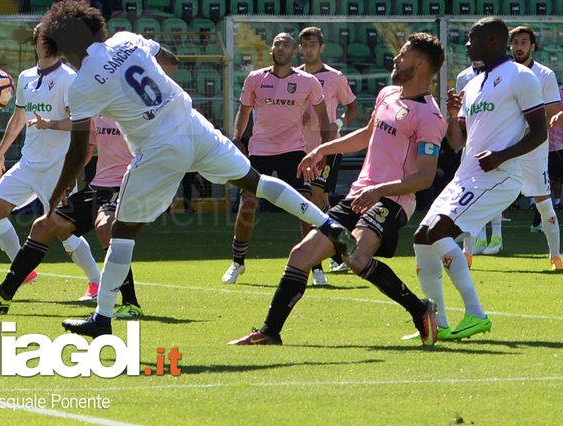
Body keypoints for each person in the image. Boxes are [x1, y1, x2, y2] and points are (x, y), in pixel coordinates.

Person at [20, 2, 356, 336]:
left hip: (158, 148)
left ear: (64, 47)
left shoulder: (83, 86)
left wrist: (57, 192)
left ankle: (102, 318)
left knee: (122, 232)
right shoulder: (125, 39)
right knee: (257, 182)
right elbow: (172, 62)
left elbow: (79, 150)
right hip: (192, 125)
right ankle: (328, 224)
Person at [232, 34, 448, 346]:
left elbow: (425, 177)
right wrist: (323, 150)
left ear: (422, 64)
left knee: (355, 256)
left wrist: (378, 191)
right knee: (300, 254)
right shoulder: (387, 94)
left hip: (393, 199)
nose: (397, 58)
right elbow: (365, 135)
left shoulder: (430, 116)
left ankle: (420, 309)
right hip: (359, 195)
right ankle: (269, 333)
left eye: (404, 54)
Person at [415, 17, 547, 340]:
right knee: (421, 237)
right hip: (466, 175)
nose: (467, 44)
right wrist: (451, 116)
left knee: (440, 232)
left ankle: (476, 315)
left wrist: (501, 156)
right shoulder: (471, 84)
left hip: (500, 176)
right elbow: (457, 143)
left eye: (472, 39)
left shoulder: (522, 77)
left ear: (491, 40)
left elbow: (540, 132)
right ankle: (440, 324)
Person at [0, 107, 143, 317]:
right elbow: (85, 150)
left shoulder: (134, 110)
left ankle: (131, 304)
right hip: (98, 187)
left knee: (105, 227)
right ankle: (2, 296)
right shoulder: (97, 112)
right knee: (43, 225)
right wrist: (67, 181)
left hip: (127, 184)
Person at [0, 25, 102, 298]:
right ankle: (23, 270)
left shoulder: (69, 79)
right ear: (37, 43)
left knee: (65, 233)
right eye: (45, 40)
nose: (49, 44)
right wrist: (2, 150)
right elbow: (19, 116)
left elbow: (82, 125)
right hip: (29, 163)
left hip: (58, 170)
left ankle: (96, 282)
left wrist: (50, 124)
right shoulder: (25, 77)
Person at [223, 32, 335, 285]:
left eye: (286, 44)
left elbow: (324, 118)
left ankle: (315, 266)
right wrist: (236, 138)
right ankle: (237, 262)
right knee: (247, 204)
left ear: (293, 51)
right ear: (271, 50)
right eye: (277, 43)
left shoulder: (308, 81)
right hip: (259, 151)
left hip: (293, 151)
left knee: (305, 206)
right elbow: (244, 109)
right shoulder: (255, 79)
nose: (281, 47)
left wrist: (325, 150)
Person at [493, 27, 561, 268]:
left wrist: (552, 118)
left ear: (533, 46)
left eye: (524, 42)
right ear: (510, 46)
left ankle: (555, 256)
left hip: (533, 148)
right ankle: (466, 252)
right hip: (504, 145)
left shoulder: (545, 74)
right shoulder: (500, 73)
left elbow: (553, 112)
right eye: (515, 42)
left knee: (543, 202)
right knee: (483, 194)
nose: (519, 46)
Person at [296, 27, 360, 275]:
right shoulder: (294, 77)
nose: (308, 49)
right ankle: (338, 251)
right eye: (304, 45)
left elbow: (353, 107)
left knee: (314, 198)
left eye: (313, 45)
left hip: (328, 147)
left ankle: (324, 256)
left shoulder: (334, 77)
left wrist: (338, 123)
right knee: (318, 201)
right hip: (300, 147)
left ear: (321, 48)